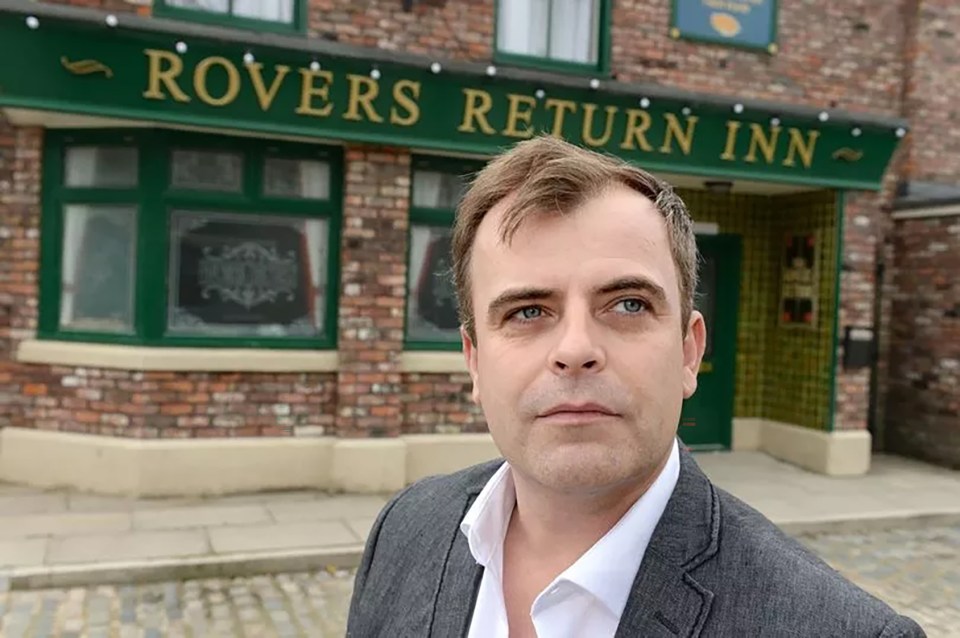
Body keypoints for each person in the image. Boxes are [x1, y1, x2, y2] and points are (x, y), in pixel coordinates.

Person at [346, 135, 925, 637]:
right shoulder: (406, 529)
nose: (575, 350)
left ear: (688, 351)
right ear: (474, 363)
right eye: (527, 311)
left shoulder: (839, 629)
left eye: (627, 303)